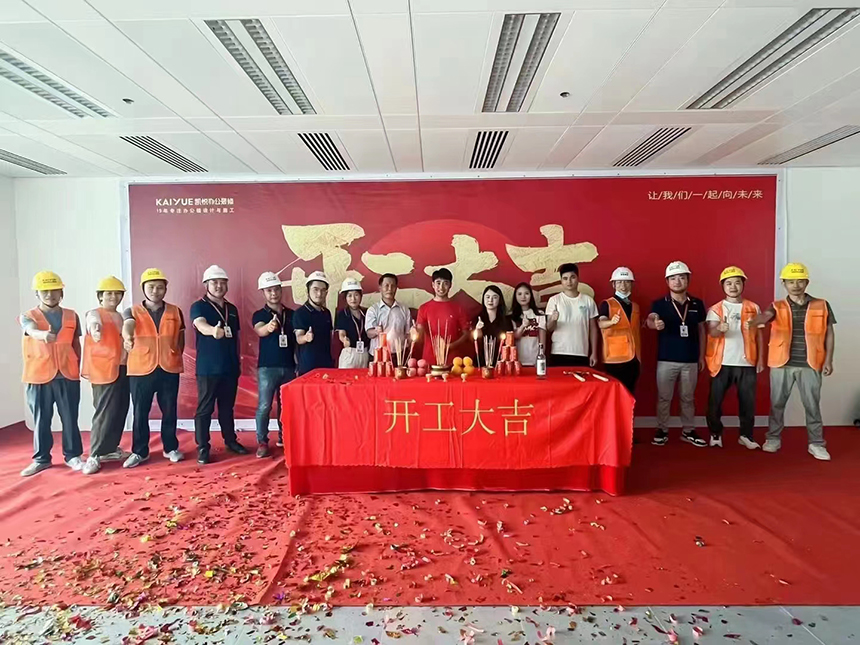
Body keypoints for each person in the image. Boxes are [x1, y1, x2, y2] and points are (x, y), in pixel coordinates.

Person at [750, 263, 836, 461]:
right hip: (781, 364)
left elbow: (829, 333)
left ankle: (816, 443)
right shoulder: (776, 306)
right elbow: (766, 316)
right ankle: (773, 438)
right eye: (791, 282)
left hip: (811, 363)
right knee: (777, 404)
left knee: (812, 406)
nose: (795, 285)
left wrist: (829, 359)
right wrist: (756, 321)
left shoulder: (822, 304)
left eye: (800, 281)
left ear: (807, 282)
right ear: (784, 284)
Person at [19, 271, 84, 476]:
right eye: (44, 291)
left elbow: (76, 344)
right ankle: (41, 459)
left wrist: (78, 368)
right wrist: (42, 335)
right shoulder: (28, 316)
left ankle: (73, 455)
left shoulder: (72, 315)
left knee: (70, 418)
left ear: (61, 292)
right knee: (41, 419)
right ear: (37, 294)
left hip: (67, 375)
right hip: (39, 376)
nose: (50, 295)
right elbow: (30, 330)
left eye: (54, 290)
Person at [122, 268, 185, 468]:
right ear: (143, 288)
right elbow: (128, 325)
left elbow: (181, 337)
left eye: (160, 287)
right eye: (151, 287)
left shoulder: (175, 311)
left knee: (170, 410)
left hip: (168, 368)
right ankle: (140, 451)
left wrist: (175, 354)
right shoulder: (132, 311)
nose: (155, 291)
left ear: (165, 289)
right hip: (141, 369)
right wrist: (128, 337)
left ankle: (170, 447)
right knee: (140, 412)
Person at [190, 265, 249, 464]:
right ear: (206, 284)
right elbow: (200, 324)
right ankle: (202, 447)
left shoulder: (232, 309)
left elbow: (236, 337)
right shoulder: (198, 306)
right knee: (205, 409)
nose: (218, 286)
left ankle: (230, 441)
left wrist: (237, 362)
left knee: (227, 408)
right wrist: (212, 331)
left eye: (222, 282)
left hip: (229, 367)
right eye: (214, 282)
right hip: (208, 368)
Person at [646, 261, 707, 447]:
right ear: (667, 281)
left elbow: (702, 331)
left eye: (682, 277)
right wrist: (654, 324)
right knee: (664, 397)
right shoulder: (659, 304)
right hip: (666, 359)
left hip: (690, 359)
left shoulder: (697, 303)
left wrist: (701, 356)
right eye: (673, 278)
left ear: (688, 280)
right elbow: (650, 320)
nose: (678, 281)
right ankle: (662, 429)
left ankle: (688, 430)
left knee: (688, 397)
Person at [705, 267, 764, 449]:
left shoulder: (753, 307)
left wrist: (761, 359)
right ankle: (715, 434)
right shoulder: (715, 309)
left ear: (743, 285)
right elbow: (711, 332)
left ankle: (746, 435)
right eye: (728, 283)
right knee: (715, 402)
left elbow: (759, 335)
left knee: (748, 403)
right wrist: (719, 329)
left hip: (747, 362)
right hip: (721, 363)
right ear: (723, 286)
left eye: (737, 282)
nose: (733, 286)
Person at [81, 276, 130, 475]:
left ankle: (110, 449)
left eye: (117, 293)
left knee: (120, 409)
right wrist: (95, 330)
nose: (113, 297)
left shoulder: (122, 316)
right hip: (103, 370)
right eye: (109, 293)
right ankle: (94, 455)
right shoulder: (95, 313)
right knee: (103, 412)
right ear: (100, 296)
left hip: (123, 367)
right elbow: (93, 323)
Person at [252, 271, 296, 458]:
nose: (273, 293)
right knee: (264, 406)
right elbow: (260, 330)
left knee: (286, 406)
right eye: (269, 290)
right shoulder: (259, 314)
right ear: (263, 292)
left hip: (289, 366)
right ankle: (262, 441)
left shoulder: (291, 314)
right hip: (267, 368)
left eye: (276, 289)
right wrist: (268, 328)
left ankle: (284, 437)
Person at [545, 263, 599, 368]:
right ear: (561, 281)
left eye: (572, 277)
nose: (569, 281)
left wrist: (594, 353)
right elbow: (549, 328)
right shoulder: (554, 300)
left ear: (578, 278)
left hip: (581, 352)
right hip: (559, 352)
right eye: (565, 278)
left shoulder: (588, 301)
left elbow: (593, 329)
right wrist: (553, 320)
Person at [597, 267, 640, 395]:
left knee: (630, 394)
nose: (623, 286)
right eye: (619, 282)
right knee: (616, 395)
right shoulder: (607, 304)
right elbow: (601, 323)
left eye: (627, 282)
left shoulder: (635, 306)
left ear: (631, 284)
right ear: (614, 284)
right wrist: (611, 322)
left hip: (634, 358)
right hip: (615, 359)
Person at [414, 268, 471, 365]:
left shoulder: (458, 308)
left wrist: (450, 346)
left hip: (453, 361)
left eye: (445, 283)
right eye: (438, 283)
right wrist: (414, 331)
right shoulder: (423, 308)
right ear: (433, 285)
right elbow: (419, 331)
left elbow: (466, 334)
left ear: (450, 285)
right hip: (429, 360)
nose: (441, 287)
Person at [293, 271, 334, 375]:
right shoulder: (300, 313)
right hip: (308, 367)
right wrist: (306, 338)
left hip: (326, 365)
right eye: (315, 289)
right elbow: (299, 338)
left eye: (323, 290)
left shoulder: (326, 313)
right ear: (307, 291)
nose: (319, 294)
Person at [366, 273, 413, 354]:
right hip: (378, 355)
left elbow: (408, 333)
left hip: (399, 354)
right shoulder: (373, 310)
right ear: (380, 288)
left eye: (393, 286)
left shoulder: (404, 310)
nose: (390, 289)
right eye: (386, 285)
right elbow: (369, 333)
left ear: (396, 288)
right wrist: (376, 331)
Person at [335, 278, 371, 367]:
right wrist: (344, 339)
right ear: (345, 298)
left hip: (365, 352)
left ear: (361, 296)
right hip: (350, 353)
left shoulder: (367, 312)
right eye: (349, 295)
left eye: (356, 295)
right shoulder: (342, 314)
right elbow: (341, 334)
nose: (353, 299)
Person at [475, 286, 515, 360]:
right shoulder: (477, 318)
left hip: (501, 360)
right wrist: (478, 329)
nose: (490, 300)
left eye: (495, 297)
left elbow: (509, 342)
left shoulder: (506, 321)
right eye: (487, 297)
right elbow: (475, 340)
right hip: (481, 360)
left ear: (500, 300)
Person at [510, 282, 545, 367]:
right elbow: (515, 336)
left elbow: (542, 339)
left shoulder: (539, 314)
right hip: (517, 361)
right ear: (515, 296)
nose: (523, 297)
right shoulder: (511, 316)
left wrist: (540, 357)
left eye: (526, 293)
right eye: (519, 294)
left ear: (531, 295)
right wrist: (523, 326)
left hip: (535, 359)